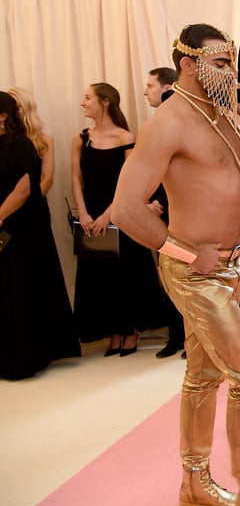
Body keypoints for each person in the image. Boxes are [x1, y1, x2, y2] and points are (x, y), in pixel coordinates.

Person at [111, 24, 240, 506]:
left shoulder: (223, 115)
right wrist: (181, 253)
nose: (230, 73)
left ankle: (194, 484)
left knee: (203, 377)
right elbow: (126, 209)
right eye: (221, 64)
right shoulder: (168, 122)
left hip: (230, 266)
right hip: (193, 271)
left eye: (232, 64)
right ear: (188, 64)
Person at [71, 83, 165, 356]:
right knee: (99, 277)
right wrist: (85, 213)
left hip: (120, 213)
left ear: (106, 102)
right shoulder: (80, 137)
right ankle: (111, 331)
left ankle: (130, 330)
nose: (82, 103)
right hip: (90, 214)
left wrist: (107, 215)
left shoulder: (126, 137)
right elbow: (76, 178)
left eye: (87, 97)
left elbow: (130, 182)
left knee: (126, 273)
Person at [0, 91, 81, 380]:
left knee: (23, 283)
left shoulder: (27, 144)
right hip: (10, 217)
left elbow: (31, 186)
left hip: (25, 219)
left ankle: (28, 354)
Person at [141, 69, 188, 360]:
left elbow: (178, 169)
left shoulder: (180, 124)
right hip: (160, 214)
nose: (145, 91)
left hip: (180, 211)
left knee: (187, 277)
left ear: (168, 87)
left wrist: (159, 199)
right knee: (167, 276)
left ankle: (194, 337)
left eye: (149, 85)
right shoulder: (153, 125)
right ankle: (176, 337)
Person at [8, 87, 56, 196]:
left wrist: (32, 204)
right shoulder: (3, 139)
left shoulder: (44, 140)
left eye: (18, 107)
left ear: (27, 108)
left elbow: (47, 180)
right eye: (10, 108)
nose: (13, 112)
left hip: (33, 204)